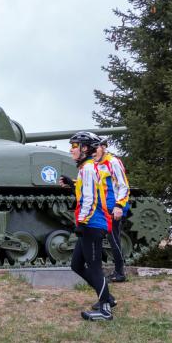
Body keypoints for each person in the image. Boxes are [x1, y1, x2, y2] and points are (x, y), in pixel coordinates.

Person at [59, 131, 114, 321]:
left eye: (75, 146)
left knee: (94, 267)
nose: (71, 149)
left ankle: (105, 310)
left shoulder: (88, 169)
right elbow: (88, 190)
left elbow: (90, 199)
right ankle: (106, 296)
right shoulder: (86, 169)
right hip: (89, 223)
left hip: (92, 224)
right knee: (76, 265)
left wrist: (82, 222)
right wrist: (72, 184)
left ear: (85, 148)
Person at [96, 138, 130, 282]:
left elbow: (123, 186)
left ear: (103, 147)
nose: (93, 151)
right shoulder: (97, 164)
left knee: (113, 239)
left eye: (96, 148)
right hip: (102, 207)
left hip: (113, 207)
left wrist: (119, 206)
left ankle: (120, 273)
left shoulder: (113, 162)